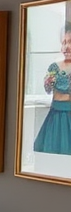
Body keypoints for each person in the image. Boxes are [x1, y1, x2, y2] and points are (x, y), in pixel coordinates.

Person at [34, 21, 71, 156]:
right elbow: (48, 90)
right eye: (63, 43)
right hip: (55, 117)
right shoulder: (54, 67)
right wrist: (48, 83)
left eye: (69, 42)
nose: (66, 47)